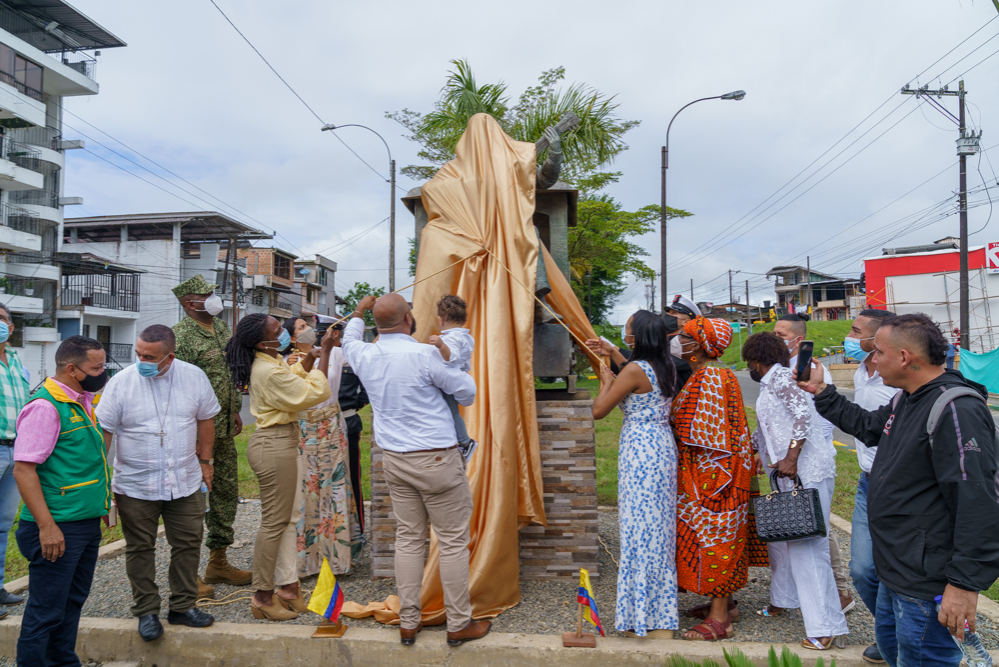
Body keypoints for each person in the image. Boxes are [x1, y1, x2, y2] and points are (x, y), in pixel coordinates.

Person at [801, 313, 999, 666]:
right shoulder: (907, 398)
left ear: (905, 357)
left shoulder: (956, 410)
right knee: (898, 655)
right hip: (895, 571)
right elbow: (867, 425)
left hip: (925, 584)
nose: (873, 360)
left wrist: (964, 585)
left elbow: (977, 502)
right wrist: (822, 391)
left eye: (878, 352)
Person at [342, 294, 489, 647]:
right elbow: (466, 394)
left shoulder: (363, 354)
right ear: (409, 319)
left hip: (394, 459)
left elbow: (349, 337)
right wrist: (453, 369)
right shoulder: (424, 354)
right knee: (452, 541)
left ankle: (408, 622)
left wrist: (360, 310)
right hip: (436, 458)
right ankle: (458, 623)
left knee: (408, 539)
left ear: (378, 324)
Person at [95, 325, 219, 641]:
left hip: (185, 479)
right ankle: (147, 611)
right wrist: (101, 481)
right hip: (136, 484)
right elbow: (104, 433)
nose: (141, 360)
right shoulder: (121, 384)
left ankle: (182, 606)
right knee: (140, 548)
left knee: (189, 543)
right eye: (138, 354)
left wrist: (206, 461)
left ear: (170, 357)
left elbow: (207, 418)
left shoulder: (193, 377)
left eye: (149, 356)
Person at [224, 313, 333, 621]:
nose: (284, 334)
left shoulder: (271, 363)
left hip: (281, 442)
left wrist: (309, 359)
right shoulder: (268, 371)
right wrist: (324, 353)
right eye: (278, 331)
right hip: (275, 446)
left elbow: (294, 375)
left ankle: (288, 587)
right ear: (263, 342)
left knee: (289, 520)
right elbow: (313, 394)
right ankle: (261, 595)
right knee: (275, 523)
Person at [742, 331, 847, 651]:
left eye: (750, 363)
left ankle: (825, 628)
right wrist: (754, 450)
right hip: (792, 471)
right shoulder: (770, 381)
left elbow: (803, 416)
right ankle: (790, 602)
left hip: (806, 470)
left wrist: (790, 456)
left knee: (808, 552)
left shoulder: (781, 378)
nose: (750, 368)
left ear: (757, 361)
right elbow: (768, 425)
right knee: (791, 545)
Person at [12, 336, 110, 665]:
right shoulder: (45, 407)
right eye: (96, 367)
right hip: (56, 527)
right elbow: (24, 471)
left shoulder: (80, 400)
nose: (103, 372)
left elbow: (83, 461)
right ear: (72, 369)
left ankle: (63, 661)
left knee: (71, 602)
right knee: (46, 610)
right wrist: (47, 526)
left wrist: (102, 503)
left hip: (81, 522)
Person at [671, 316, 762, 640]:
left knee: (717, 542)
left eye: (684, 335)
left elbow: (697, 431)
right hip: (716, 475)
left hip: (714, 479)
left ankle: (720, 620)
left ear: (698, 346)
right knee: (721, 539)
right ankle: (724, 604)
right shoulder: (708, 373)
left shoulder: (709, 377)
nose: (678, 339)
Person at [591, 310, 679, 639]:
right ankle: (660, 617)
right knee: (658, 532)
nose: (624, 335)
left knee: (638, 534)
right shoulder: (664, 365)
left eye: (627, 331)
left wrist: (606, 379)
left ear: (638, 337)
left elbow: (599, 411)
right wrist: (613, 353)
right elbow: (632, 365)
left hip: (640, 453)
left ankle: (640, 619)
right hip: (662, 450)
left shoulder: (632, 371)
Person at [172, 274, 249, 594]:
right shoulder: (179, 337)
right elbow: (177, 388)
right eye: (207, 294)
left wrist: (233, 409)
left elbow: (226, 373)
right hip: (195, 435)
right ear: (190, 303)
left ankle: (218, 562)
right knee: (192, 500)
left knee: (225, 493)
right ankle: (188, 576)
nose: (214, 298)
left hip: (224, 430)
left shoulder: (220, 328)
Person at [774, 314, 855, 615]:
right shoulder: (781, 369)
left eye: (781, 334)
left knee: (815, 528)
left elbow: (820, 421)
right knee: (795, 525)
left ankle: (839, 591)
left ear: (797, 339)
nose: (776, 337)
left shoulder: (814, 371)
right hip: (788, 461)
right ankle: (792, 594)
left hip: (811, 459)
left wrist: (811, 455)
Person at [841, 308, 897, 664]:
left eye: (855, 329)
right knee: (862, 569)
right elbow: (861, 423)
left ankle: (896, 639)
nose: (849, 335)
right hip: (866, 483)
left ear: (877, 339)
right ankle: (890, 630)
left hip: (895, 485)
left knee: (895, 569)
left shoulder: (896, 383)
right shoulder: (862, 372)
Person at [290, 317, 362, 577]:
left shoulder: (334, 353)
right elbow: (315, 387)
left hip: (332, 428)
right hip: (304, 432)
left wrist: (359, 319)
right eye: (301, 327)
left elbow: (363, 355)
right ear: (291, 338)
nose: (308, 329)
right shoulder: (288, 364)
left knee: (335, 489)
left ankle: (337, 560)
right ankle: (307, 562)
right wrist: (325, 351)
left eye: (308, 324)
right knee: (307, 493)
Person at [0, 302, 28, 618]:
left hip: (16, 450)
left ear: (11, 327)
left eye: (2, 318)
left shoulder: (18, 360)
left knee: (3, 525)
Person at [428, 295, 478, 462]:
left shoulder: (451, 338)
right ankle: (460, 441)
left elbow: (453, 357)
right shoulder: (464, 336)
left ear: (441, 319)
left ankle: (465, 441)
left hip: (450, 379)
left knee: (450, 410)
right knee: (451, 410)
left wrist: (441, 345)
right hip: (458, 378)